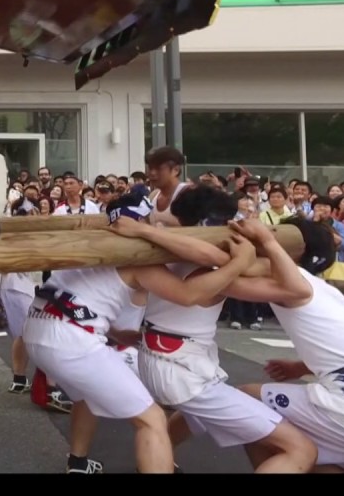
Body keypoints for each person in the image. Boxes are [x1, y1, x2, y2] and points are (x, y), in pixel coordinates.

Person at [24, 192, 256, 474]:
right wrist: (240, 264)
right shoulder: (140, 255)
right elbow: (188, 294)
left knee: (86, 396)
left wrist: (116, 334)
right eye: (149, 219)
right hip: (71, 341)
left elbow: (83, 295)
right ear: (138, 221)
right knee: (152, 420)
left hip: (38, 327)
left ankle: (78, 462)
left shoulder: (97, 237)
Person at [125, 186, 318, 473]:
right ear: (214, 223)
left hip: (160, 360)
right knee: (299, 448)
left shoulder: (163, 252)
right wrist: (253, 254)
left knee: (197, 417)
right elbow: (295, 289)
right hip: (181, 371)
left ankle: (154, 457)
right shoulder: (216, 269)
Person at [227, 217, 344, 473]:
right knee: (320, 457)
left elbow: (223, 282)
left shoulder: (294, 280)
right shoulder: (326, 288)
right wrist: (301, 367)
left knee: (249, 404)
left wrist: (264, 241)